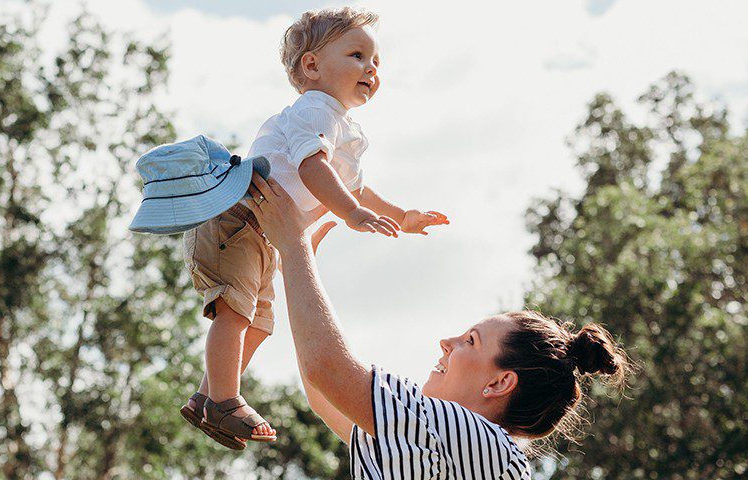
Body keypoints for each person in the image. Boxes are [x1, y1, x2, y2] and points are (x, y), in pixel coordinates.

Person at [180, 6, 449, 450]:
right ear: (312, 65)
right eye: (358, 55)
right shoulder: (314, 110)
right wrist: (349, 213)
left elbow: (356, 189)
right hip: (238, 220)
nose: (371, 69)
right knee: (236, 312)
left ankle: (208, 396)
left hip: (264, 233)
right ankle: (225, 399)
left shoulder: (342, 125)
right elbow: (312, 169)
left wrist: (403, 216)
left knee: (260, 324)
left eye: (376, 62)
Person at [242, 174, 633, 478]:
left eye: (470, 341)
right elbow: (324, 391)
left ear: (499, 383)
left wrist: (293, 246)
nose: (446, 342)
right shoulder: (454, 448)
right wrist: (299, 262)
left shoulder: (474, 438)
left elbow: (327, 370)